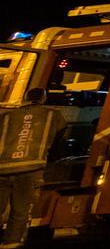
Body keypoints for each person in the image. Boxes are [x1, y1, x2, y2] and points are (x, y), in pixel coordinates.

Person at [0, 87, 66, 248]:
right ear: (43, 98)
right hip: (31, 170)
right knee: (20, 211)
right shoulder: (53, 115)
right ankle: (11, 243)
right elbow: (59, 139)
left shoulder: (6, 116)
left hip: (2, 169)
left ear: (25, 97)